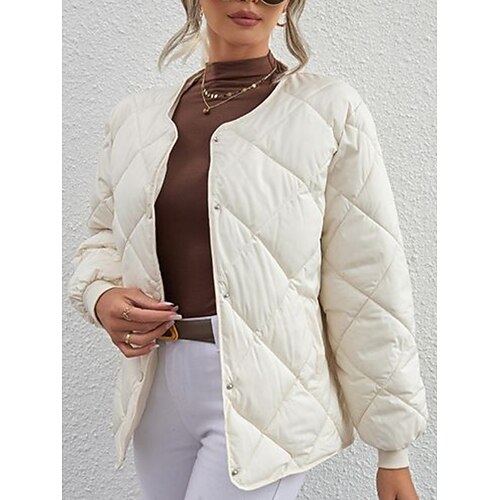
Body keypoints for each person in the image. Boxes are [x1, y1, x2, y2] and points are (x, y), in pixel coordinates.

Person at [67, 0, 429, 499]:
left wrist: (393, 450)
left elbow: (368, 281)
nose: (251, 1)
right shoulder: (134, 119)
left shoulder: (328, 111)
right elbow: (103, 238)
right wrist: (100, 296)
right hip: (154, 388)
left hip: (267, 397)